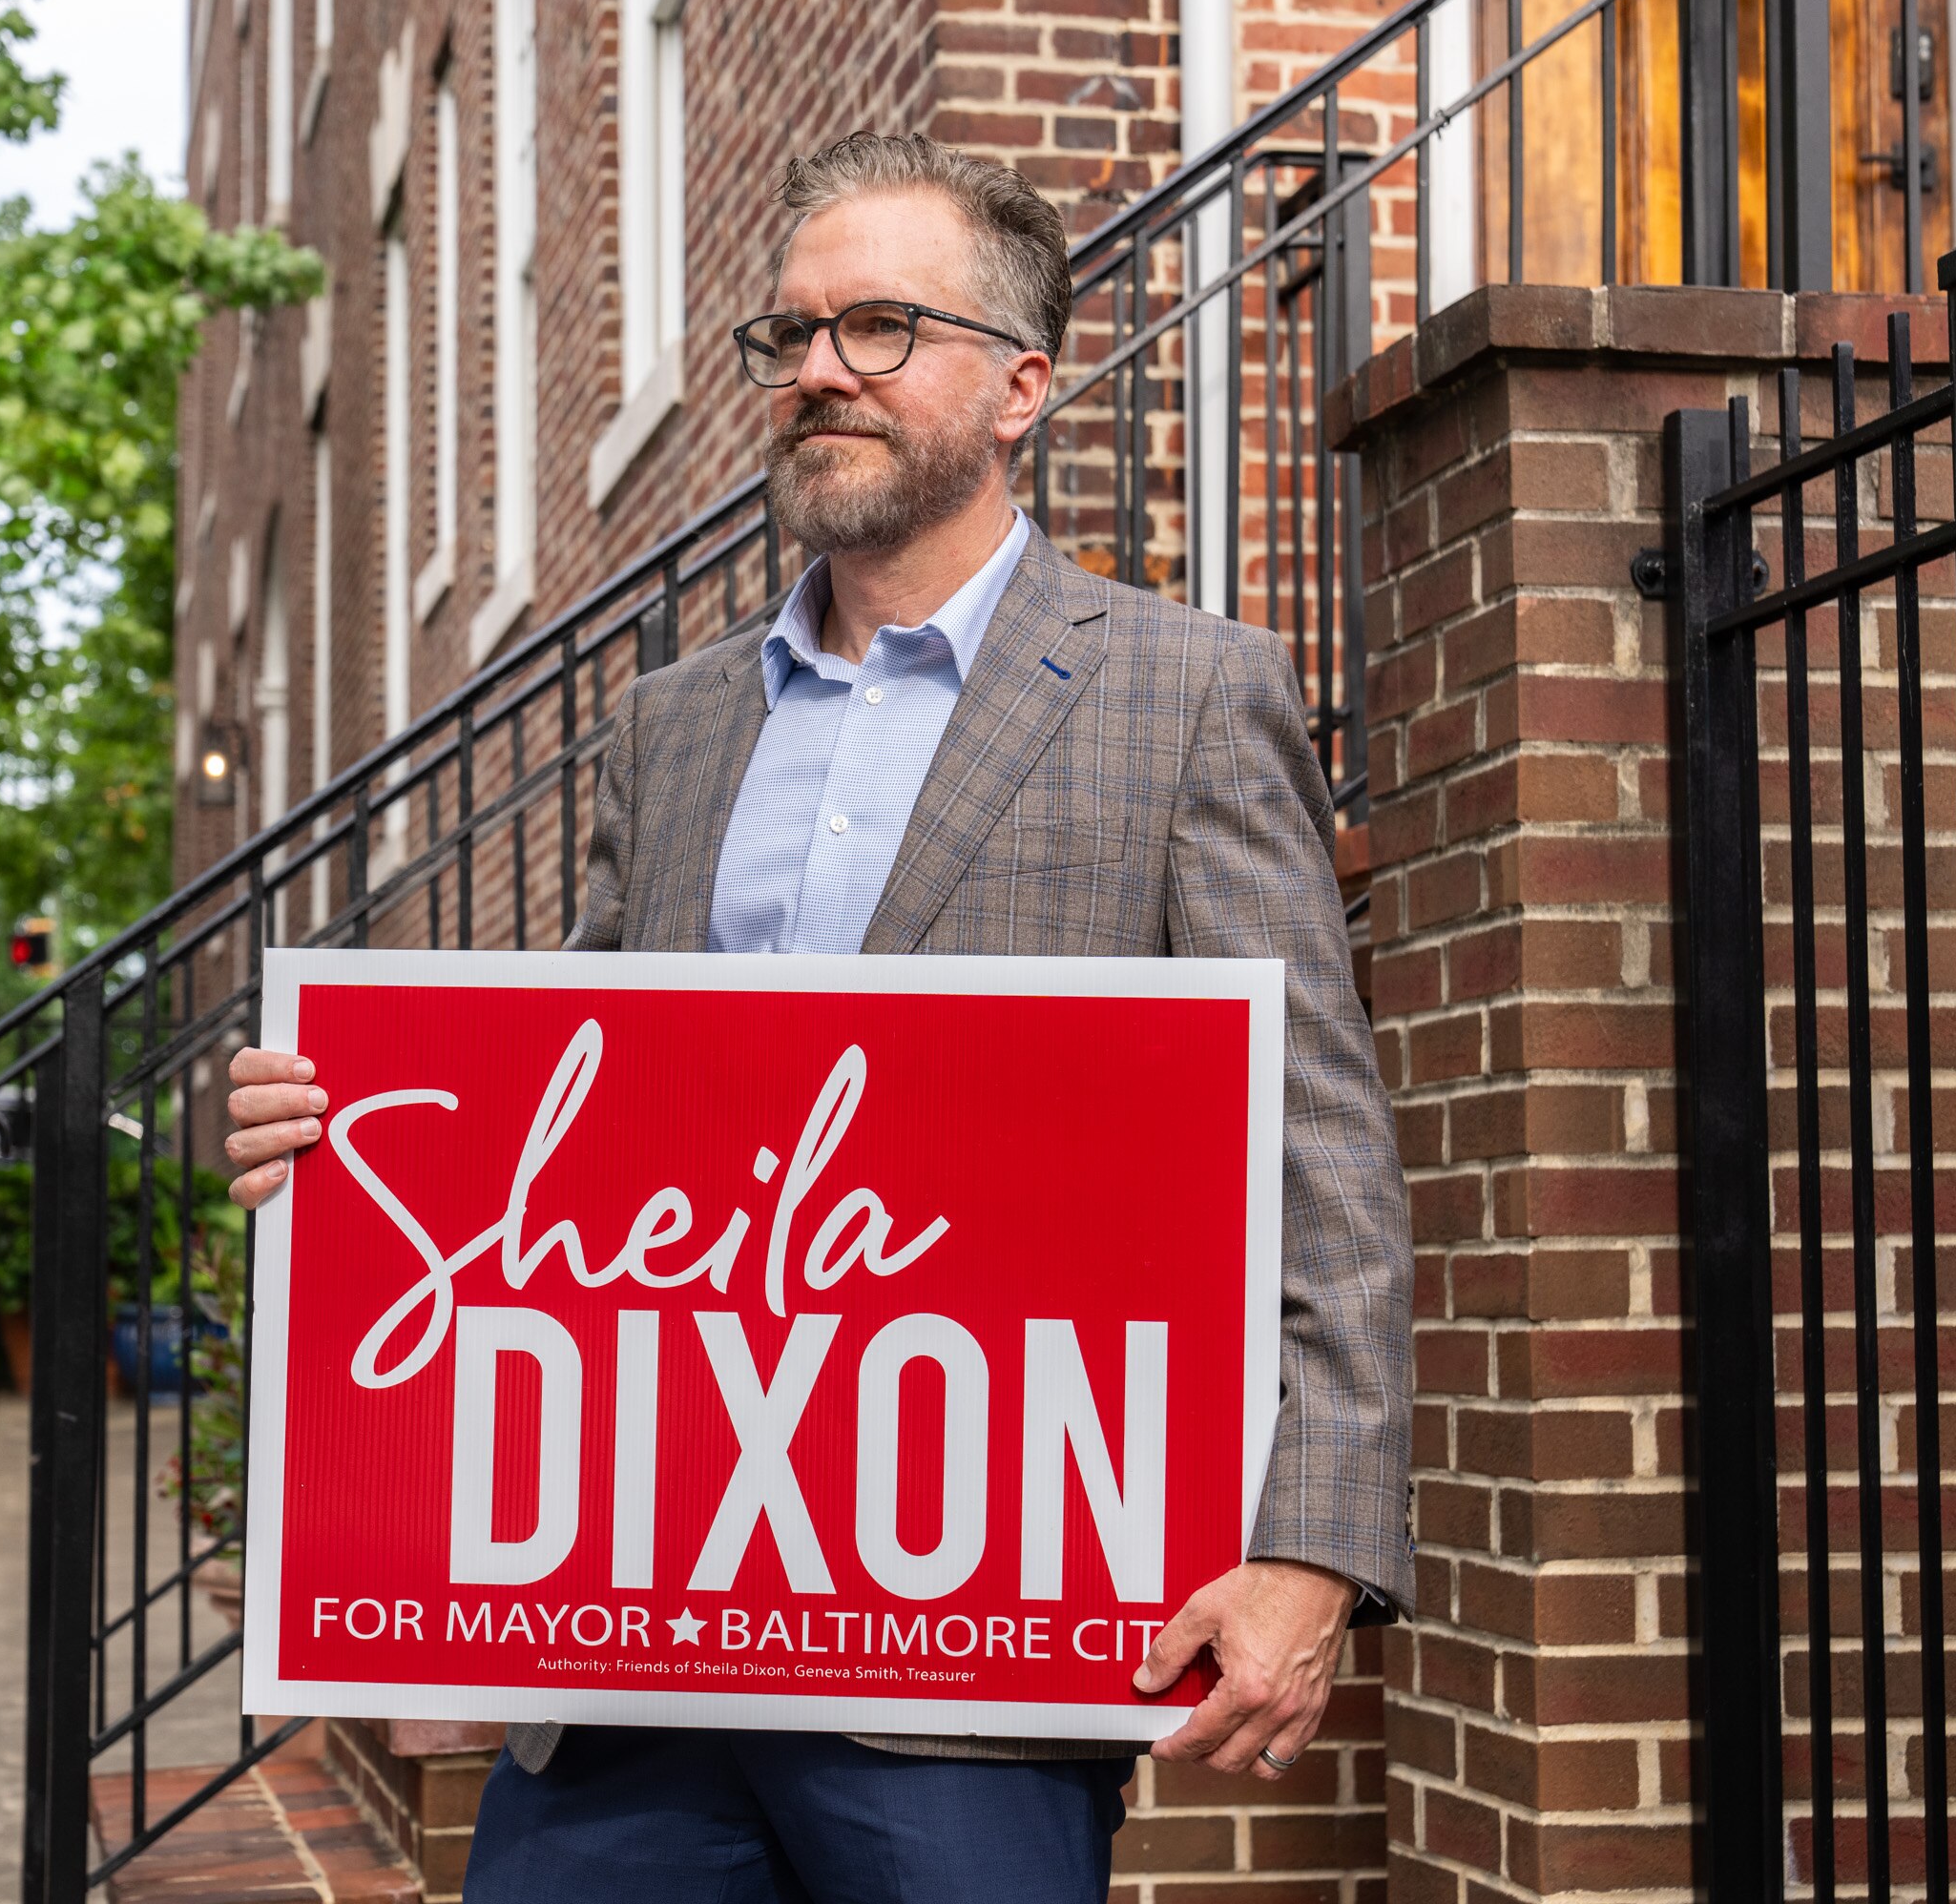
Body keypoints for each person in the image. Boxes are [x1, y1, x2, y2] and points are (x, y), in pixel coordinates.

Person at [218, 132, 1413, 1904]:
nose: (820, 374)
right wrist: (348, 1137)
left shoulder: (1185, 693)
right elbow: (582, 1138)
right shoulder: (674, 727)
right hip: (636, 1645)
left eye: (877, 327)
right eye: (790, 338)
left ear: (1021, 386)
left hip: (974, 1669)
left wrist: (1310, 1548)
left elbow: (1325, 1154)